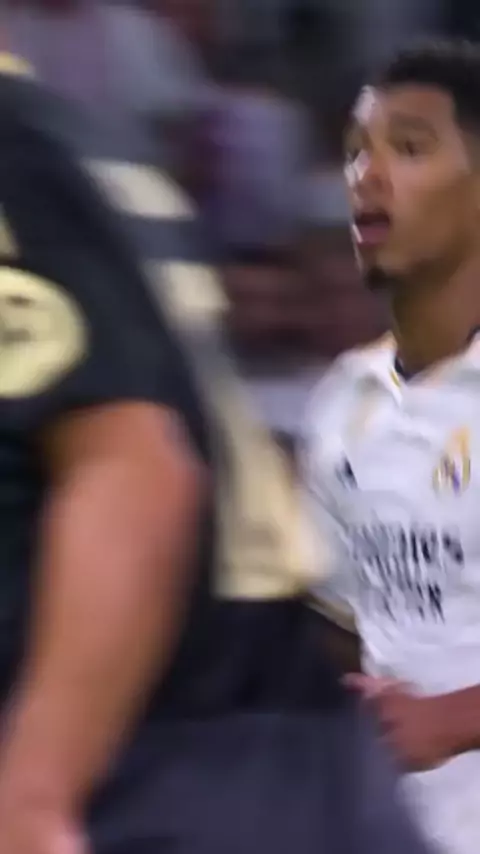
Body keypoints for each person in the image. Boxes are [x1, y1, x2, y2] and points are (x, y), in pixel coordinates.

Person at [0, 49, 433, 854]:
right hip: (261, 745)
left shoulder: (16, 146)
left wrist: (32, 800)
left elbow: (133, 468)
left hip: (159, 765)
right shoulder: (67, 135)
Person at [303, 38, 480, 854]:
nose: (366, 176)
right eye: (354, 152)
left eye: (408, 148)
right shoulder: (343, 402)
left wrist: (453, 718)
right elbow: (345, 626)